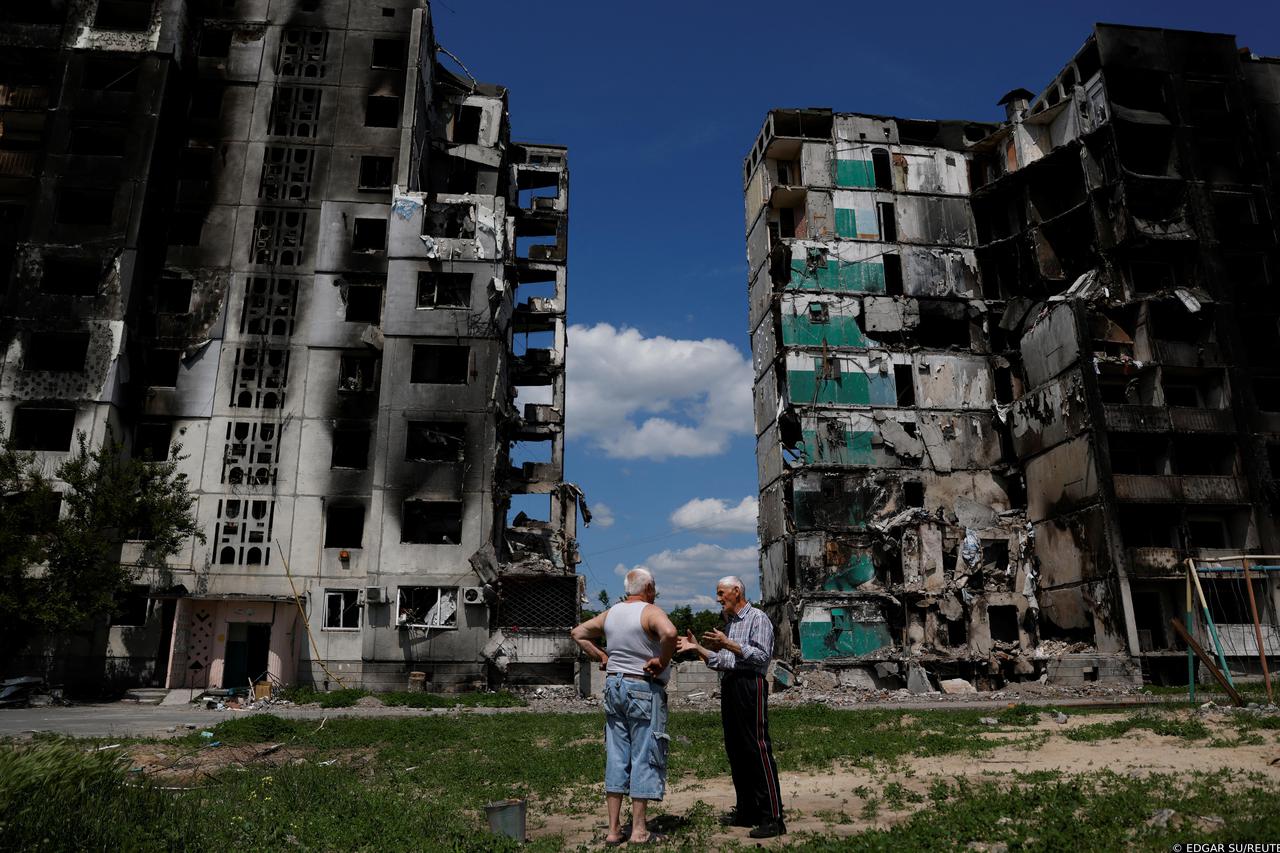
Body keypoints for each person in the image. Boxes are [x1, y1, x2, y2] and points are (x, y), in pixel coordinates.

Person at [571, 568, 678, 846]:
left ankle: (614, 830)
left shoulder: (612, 613)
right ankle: (640, 831)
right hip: (641, 687)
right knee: (644, 753)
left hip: (613, 687)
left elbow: (578, 632)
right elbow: (669, 633)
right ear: (650, 588)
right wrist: (662, 661)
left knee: (617, 755)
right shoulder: (650, 611)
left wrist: (602, 655)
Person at [676, 575, 784, 838]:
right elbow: (723, 660)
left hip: (750, 685)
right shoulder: (732, 623)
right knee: (736, 749)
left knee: (756, 748)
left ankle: (773, 817)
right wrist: (697, 648)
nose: (718, 598)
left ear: (737, 591)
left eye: (721, 592)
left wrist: (728, 643)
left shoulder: (757, 618)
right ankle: (748, 810)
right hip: (731, 685)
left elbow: (761, 656)